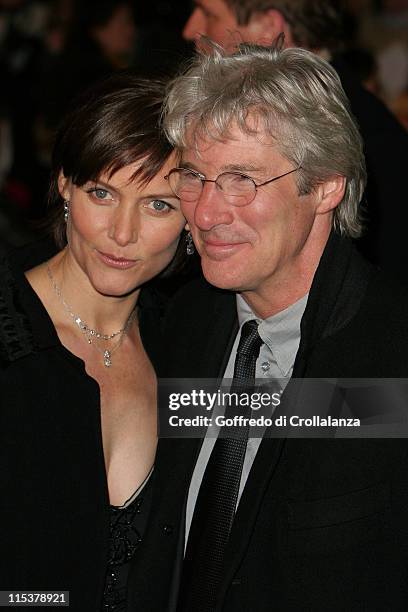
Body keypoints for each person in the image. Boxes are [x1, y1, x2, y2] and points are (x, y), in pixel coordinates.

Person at [128, 42, 408, 611]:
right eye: (194, 177)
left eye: (241, 180)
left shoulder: (391, 351)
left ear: (327, 185)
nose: (205, 213)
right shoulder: (185, 322)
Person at [0, 74, 185, 611]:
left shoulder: (190, 340)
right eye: (101, 193)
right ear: (63, 185)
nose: (121, 233)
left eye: (157, 206)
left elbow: (343, 414)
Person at [182, 0, 408, 282]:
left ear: (270, 27)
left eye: (208, 14)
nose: (190, 30)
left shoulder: (371, 140)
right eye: (192, 176)